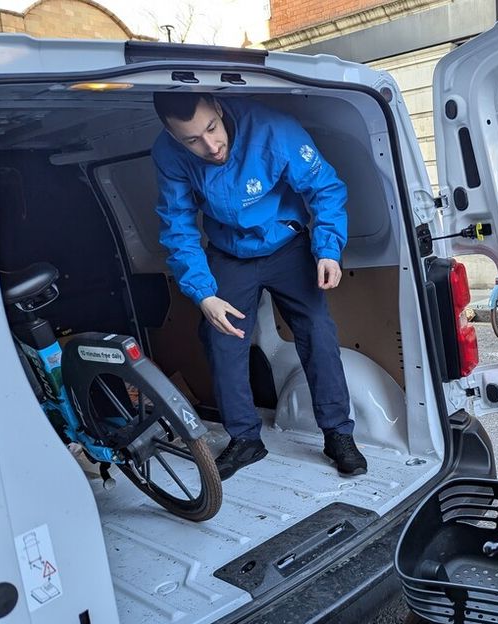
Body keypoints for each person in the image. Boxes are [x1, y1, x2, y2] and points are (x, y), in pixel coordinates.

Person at [152, 92, 367, 480]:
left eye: (211, 129)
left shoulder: (273, 129)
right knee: (221, 339)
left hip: (287, 245)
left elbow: (325, 188)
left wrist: (328, 249)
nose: (210, 146)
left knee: (317, 331)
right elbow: (177, 225)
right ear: (171, 134)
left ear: (217, 107)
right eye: (192, 141)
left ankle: (337, 433)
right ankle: (246, 439)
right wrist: (203, 294)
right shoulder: (168, 155)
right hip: (229, 253)